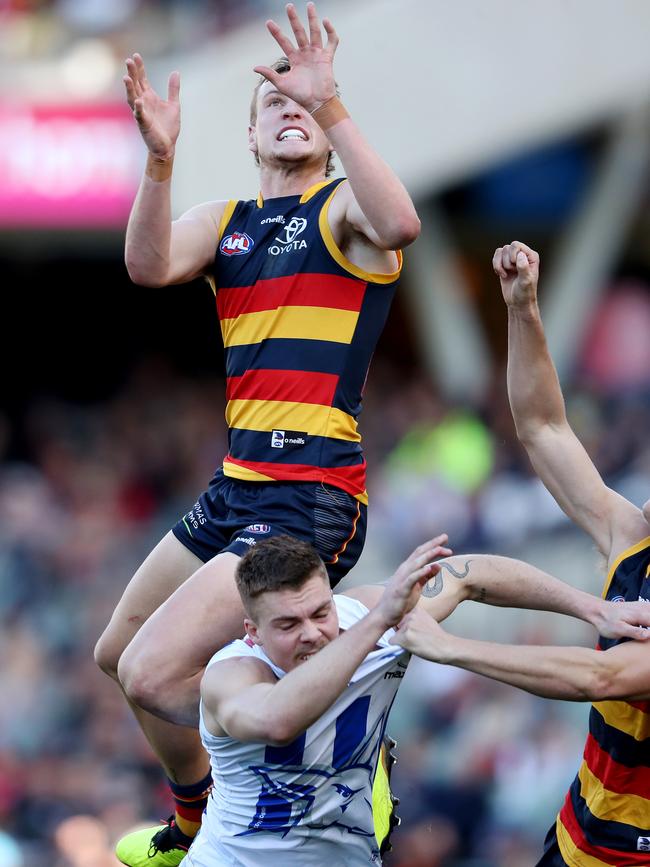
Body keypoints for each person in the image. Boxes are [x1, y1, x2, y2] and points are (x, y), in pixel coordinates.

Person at [93, 3, 421, 865]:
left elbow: (402, 226)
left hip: (312, 493)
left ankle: (345, 746)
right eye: (275, 104)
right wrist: (159, 161)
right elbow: (147, 265)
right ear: (248, 134)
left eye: (305, 108)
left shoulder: (344, 211)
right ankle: (197, 814)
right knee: (115, 654)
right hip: (235, 483)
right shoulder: (227, 219)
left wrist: (335, 104)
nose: (291, 111)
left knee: (152, 675)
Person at [390, 241, 650, 867]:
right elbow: (543, 429)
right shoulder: (633, 539)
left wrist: (450, 649)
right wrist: (523, 311)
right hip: (575, 839)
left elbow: (603, 678)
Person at [181, 531, 650, 867]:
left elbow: (474, 574)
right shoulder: (233, 674)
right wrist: (380, 621)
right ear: (253, 632)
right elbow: (277, 719)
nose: (312, 635)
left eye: (319, 612)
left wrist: (594, 609)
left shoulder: (365, 617)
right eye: (287, 625)